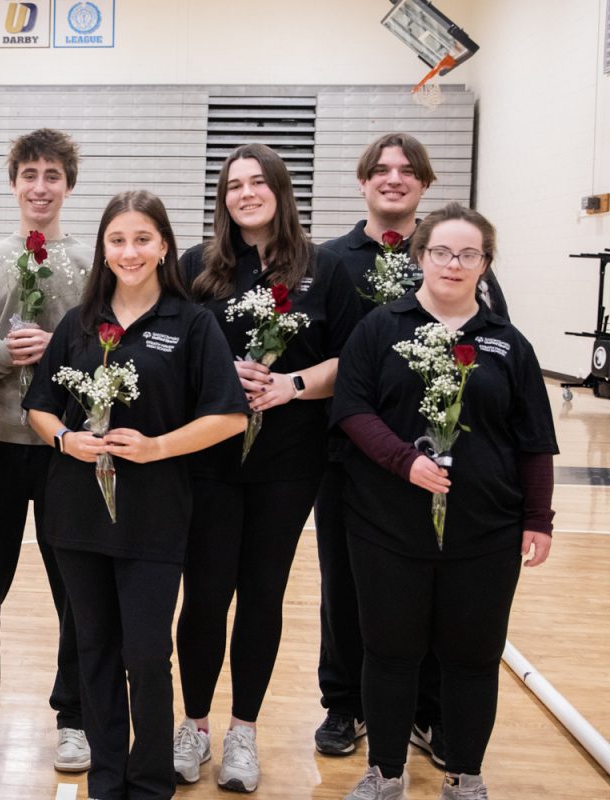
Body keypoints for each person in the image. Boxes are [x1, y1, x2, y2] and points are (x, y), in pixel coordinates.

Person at [25, 190, 248, 800]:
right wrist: (67, 439)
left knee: (147, 654)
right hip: (76, 514)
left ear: (164, 246)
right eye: (118, 240)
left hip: (156, 515)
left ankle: (150, 783)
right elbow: (40, 408)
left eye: (142, 239)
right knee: (93, 649)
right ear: (104, 248)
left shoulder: (191, 323)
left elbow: (229, 416)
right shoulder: (79, 322)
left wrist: (156, 447)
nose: (130, 251)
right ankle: (107, 778)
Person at [334, 203, 556, 800]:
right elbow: (352, 409)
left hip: (485, 533)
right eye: (441, 252)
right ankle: (384, 772)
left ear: (485, 264)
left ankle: (464, 773)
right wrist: (405, 461)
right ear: (420, 256)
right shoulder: (380, 328)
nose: (453, 264)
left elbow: (535, 441)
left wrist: (538, 518)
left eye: (468, 254)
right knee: (389, 653)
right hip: (386, 527)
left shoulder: (509, 344)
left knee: (473, 658)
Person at [173, 144, 362, 791]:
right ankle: (193, 728)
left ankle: (243, 735)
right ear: (222, 198)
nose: (246, 193)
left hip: (289, 460)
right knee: (203, 596)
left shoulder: (326, 268)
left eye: (258, 182)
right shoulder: (197, 267)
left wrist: (292, 385)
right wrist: (218, 374)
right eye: (234, 185)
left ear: (280, 191)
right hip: (208, 458)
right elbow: (167, 350)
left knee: (261, 595)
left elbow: (350, 359)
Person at [315, 133, 509, 763]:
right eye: (381, 169)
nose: (393, 179)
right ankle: (345, 706)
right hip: (351, 460)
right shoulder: (328, 262)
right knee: (347, 588)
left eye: (407, 171)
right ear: (362, 180)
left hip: (442, 468)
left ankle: (424, 712)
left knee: (434, 592)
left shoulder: (461, 259)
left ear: (425, 184)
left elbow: (492, 350)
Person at [0, 128, 92, 772]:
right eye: (29, 174)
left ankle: (76, 718)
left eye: (52, 175)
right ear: (13, 183)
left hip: (65, 451)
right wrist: (6, 355)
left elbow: (105, 361)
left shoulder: (93, 268)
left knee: (78, 593)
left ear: (68, 185)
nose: (40, 186)